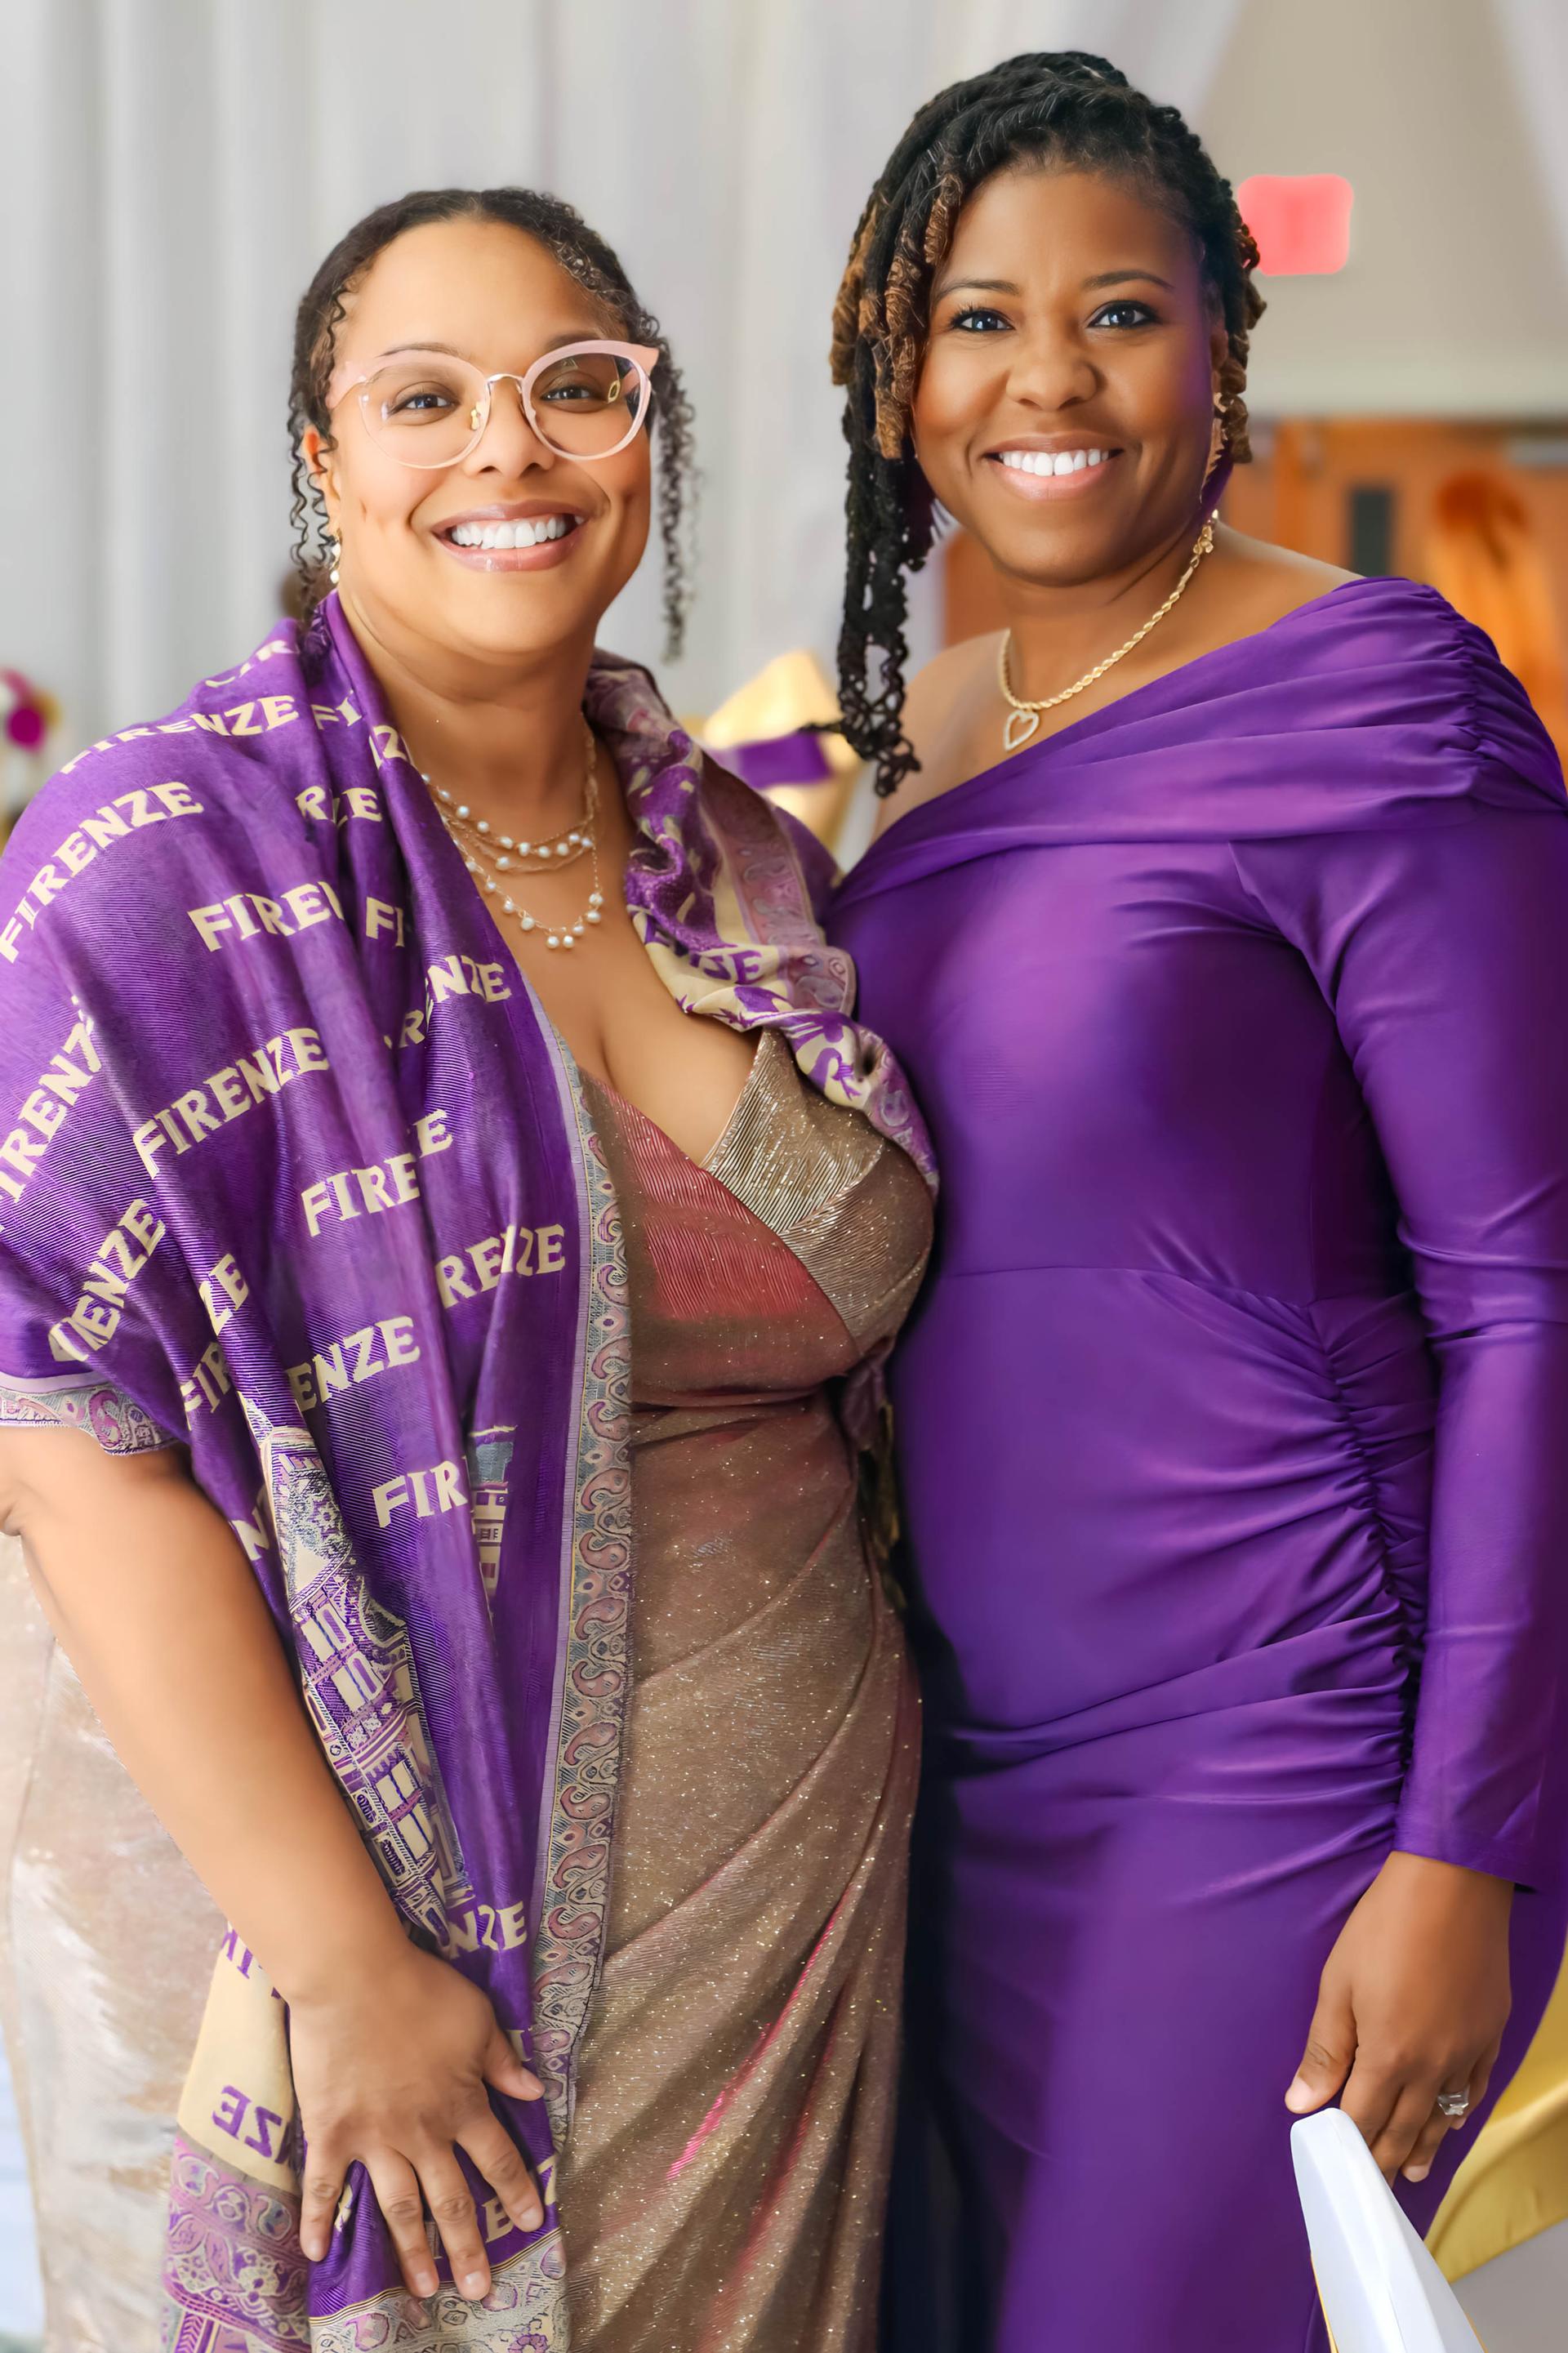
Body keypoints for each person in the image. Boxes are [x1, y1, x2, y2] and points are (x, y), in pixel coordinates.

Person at [0, 185, 933, 2353]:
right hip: (354, 1976)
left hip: (783, 1946)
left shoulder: (742, 866)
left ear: (649, 440)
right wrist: (350, 1970)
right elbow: (60, 1445)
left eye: (576, 388)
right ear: (322, 459)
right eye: (425, 397)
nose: (509, 447)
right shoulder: (158, 865)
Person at [825, 51, 1568, 2353]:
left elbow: (1534, 1298)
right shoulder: (910, 742)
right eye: (976, 319)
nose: (1046, 379)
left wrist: (1467, 1847)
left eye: (1120, 314)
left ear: (1225, 351)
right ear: (896, 381)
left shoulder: (1386, 700)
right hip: (966, 1764)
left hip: (1289, 1733)